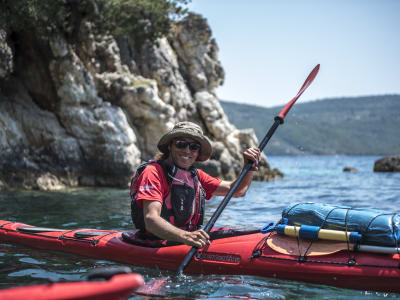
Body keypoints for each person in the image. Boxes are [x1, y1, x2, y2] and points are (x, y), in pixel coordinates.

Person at [130, 121, 260, 248]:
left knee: (247, 231)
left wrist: (248, 168)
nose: (187, 151)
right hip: (155, 242)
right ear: (170, 146)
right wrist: (186, 236)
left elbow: (237, 191)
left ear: (198, 152)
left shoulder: (196, 176)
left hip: (187, 238)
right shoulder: (153, 172)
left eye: (194, 147)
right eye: (181, 144)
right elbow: (151, 220)